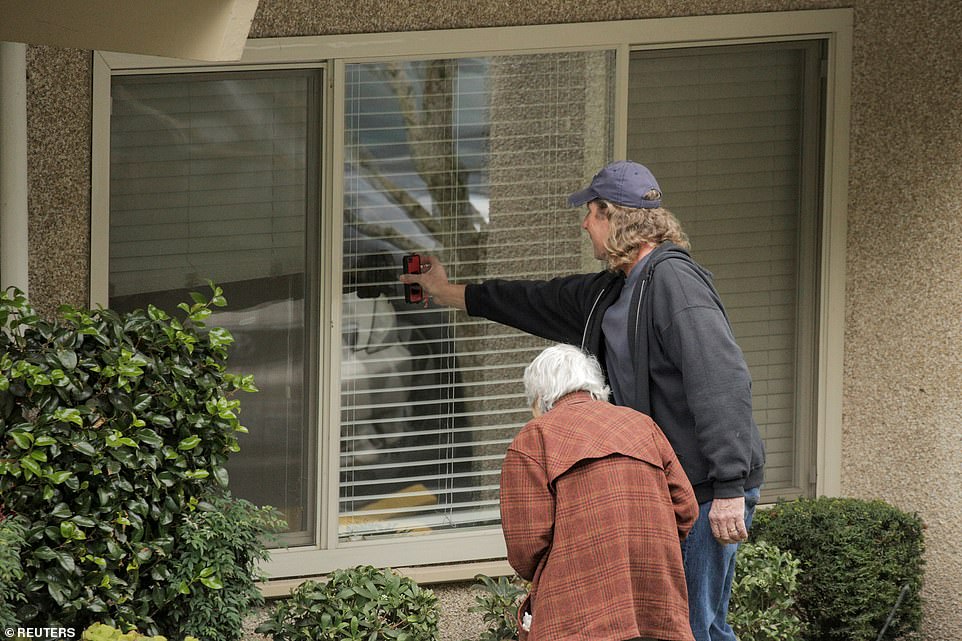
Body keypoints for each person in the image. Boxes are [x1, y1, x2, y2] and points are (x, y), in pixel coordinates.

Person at [400, 160, 765, 641]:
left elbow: (720, 381)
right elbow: (532, 300)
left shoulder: (676, 283)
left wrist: (729, 489)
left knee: (692, 626)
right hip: (664, 487)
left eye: (590, 214)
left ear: (614, 217)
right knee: (687, 626)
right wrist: (445, 291)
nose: (583, 225)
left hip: (702, 488)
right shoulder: (612, 291)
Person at [501, 344, 698, 641]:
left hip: (576, 613)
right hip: (655, 603)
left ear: (541, 398)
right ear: (594, 386)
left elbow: (526, 547)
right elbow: (686, 509)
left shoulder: (534, 438)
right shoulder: (642, 425)